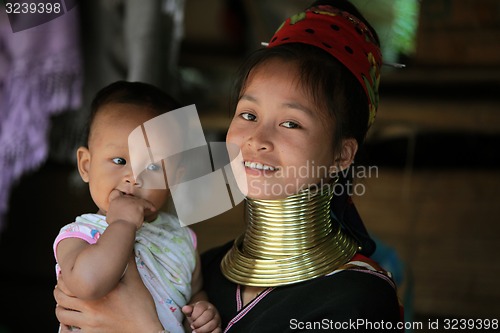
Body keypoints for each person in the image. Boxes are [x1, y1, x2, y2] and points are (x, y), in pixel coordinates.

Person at [54, 1, 402, 332]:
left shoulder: (359, 301)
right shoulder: (202, 271)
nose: (257, 139)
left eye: (291, 123)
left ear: (342, 155)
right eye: (248, 115)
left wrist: (143, 327)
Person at [53, 81, 221, 333]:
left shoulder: (181, 238)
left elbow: (194, 291)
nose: (133, 177)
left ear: (174, 178)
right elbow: (87, 284)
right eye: (119, 160)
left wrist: (201, 312)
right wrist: (122, 224)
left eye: (153, 167)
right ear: (86, 165)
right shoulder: (80, 235)